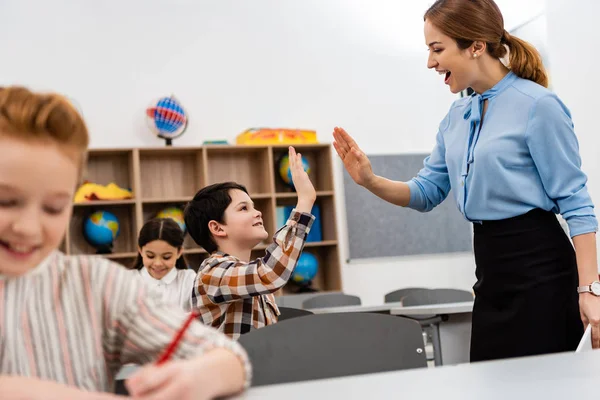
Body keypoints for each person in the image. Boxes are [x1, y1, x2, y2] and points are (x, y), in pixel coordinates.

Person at [333, 0, 600, 361]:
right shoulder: (457, 115)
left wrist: (590, 290)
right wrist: (369, 180)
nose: (431, 62)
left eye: (437, 49)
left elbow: (576, 204)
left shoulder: (538, 105)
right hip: (490, 271)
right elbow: (426, 192)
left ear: (475, 46)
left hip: (543, 271)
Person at [0, 86, 250, 399]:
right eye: (6, 201)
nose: (27, 227)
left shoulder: (97, 284)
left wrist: (200, 374)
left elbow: (230, 358)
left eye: (54, 208)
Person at [184, 147, 316, 339]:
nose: (258, 212)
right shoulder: (212, 273)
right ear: (218, 228)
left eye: (253, 206)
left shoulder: (252, 277)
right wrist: (304, 201)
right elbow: (270, 274)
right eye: (244, 208)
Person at [133, 218, 196, 312]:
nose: (158, 263)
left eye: (166, 257)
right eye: (150, 256)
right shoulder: (129, 280)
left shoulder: (189, 280)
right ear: (140, 250)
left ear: (179, 252)